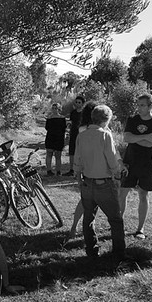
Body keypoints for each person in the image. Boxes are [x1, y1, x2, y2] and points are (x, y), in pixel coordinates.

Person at [74, 105, 128, 264]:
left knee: (88, 219)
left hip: (87, 182)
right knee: (116, 220)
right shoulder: (105, 135)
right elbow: (111, 159)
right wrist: (117, 174)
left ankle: (91, 252)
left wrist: (79, 180)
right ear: (107, 119)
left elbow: (77, 160)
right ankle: (119, 254)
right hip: (104, 183)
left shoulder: (81, 136)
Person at [119, 94, 152, 240]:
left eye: (142, 105)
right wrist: (144, 137)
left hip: (147, 163)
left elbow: (150, 143)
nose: (139, 108)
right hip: (130, 161)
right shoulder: (132, 120)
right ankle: (118, 225)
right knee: (122, 192)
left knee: (143, 194)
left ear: (151, 106)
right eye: (138, 105)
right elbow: (127, 138)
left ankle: (140, 229)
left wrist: (136, 138)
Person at [67, 100, 98, 238]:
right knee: (88, 201)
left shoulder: (83, 128)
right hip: (92, 168)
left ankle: (78, 227)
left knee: (88, 201)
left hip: (89, 167)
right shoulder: (89, 129)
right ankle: (78, 228)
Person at [64, 96, 85, 176]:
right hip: (73, 133)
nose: (77, 104)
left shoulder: (84, 113)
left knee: (81, 152)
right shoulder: (73, 112)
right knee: (72, 151)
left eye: (79, 102)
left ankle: (81, 170)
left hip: (81, 134)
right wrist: (68, 133)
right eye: (76, 102)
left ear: (82, 104)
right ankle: (71, 169)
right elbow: (70, 123)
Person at [44, 102, 66, 176]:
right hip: (50, 137)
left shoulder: (62, 118)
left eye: (56, 108)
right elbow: (47, 128)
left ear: (59, 109)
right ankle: (49, 171)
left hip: (59, 138)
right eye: (53, 108)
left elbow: (64, 128)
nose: (54, 110)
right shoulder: (49, 118)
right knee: (49, 154)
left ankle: (58, 171)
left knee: (58, 155)